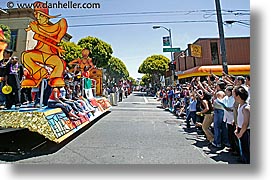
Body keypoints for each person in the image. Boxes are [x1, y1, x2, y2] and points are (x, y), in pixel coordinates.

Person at [21, 1, 67, 88]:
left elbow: (57, 38)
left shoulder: (54, 28)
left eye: (41, 15)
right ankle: (39, 73)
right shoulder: (37, 28)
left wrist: (37, 30)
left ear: (47, 17)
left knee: (59, 63)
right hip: (39, 54)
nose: (38, 18)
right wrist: (36, 30)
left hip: (51, 55)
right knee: (25, 56)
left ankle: (55, 78)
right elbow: (37, 37)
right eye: (36, 15)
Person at [233, 86, 250, 164]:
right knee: (242, 147)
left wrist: (240, 133)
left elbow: (245, 123)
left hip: (245, 131)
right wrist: (237, 129)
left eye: (235, 95)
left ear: (238, 96)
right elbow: (239, 120)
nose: (234, 97)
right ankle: (243, 158)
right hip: (240, 129)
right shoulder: (240, 105)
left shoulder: (246, 108)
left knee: (246, 148)